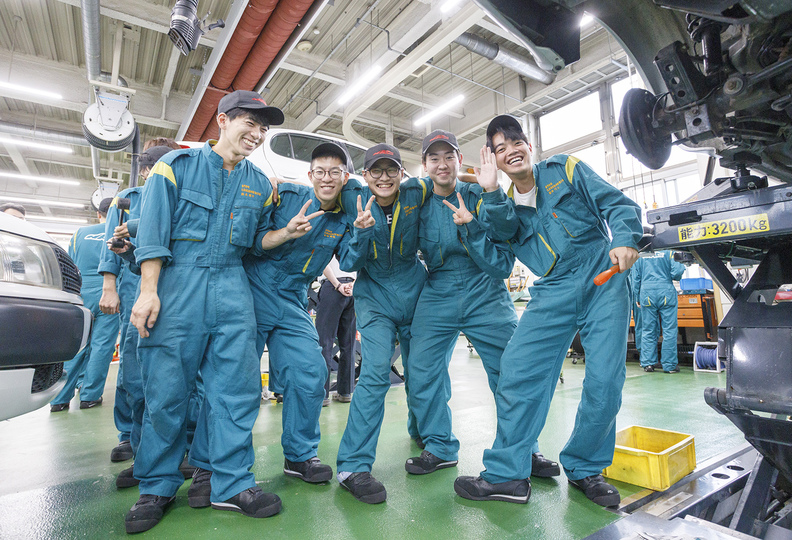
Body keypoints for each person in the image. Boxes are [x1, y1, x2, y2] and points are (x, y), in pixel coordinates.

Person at [454, 115, 641, 507]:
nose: (511, 151)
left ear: (529, 147)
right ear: (495, 162)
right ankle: (507, 474)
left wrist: (624, 238)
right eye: (500, 149)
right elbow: (500, 256)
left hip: (600, 276)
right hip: (552, 290)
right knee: (518, 370)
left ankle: (586, 467)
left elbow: (616, 204)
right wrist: (483, 205)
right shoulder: (498, 206)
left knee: (605, 382)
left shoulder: (565, 169)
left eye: (516, 142)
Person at [125, 90, 284, 534]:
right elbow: (153, 233)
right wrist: (148, 291)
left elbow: (255, 243)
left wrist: (285, 232)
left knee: (236, 391)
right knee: (167, 391)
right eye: (248, 123)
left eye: (263, 128)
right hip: (179, 287)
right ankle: (156, 486)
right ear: (221, 121)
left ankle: (229, 483)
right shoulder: (173, 168)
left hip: (234, 289)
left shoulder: (260, 183)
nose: (256, 133)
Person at [403, 130, 559, 486]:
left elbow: (502, 262)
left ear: (460, 159)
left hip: (485, 290)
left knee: (511, 371)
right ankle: (439, 446)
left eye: (448, 157)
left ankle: (523, 447)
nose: (442, 165)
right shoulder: (418, 202)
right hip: (438, 289)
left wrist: (481, 210)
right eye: (433, 158)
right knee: (422, 369)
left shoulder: (482, 196)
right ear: (425, 165)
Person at [241, 141, 353, 487]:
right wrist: (286, 231)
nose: (326, 178)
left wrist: (363, 224)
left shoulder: (346, 216)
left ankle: (300, 455)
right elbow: (254, 241)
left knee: (309, 369)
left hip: (293, 298)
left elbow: (348, 260)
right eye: (320, 171)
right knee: (237, 380)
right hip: (253, 290)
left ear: (345, 177)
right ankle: (215, 463)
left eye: (335, 172)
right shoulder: (286, 196)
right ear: (310, 175)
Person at [334, 144, 431, 504]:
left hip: (415, 291)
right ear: (364, 175)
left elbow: (446, 180)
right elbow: (347, 261)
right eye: (376, 170)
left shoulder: (416, 191)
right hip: (374, 296)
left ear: (402, 174)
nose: (384, 177)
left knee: (422, 370)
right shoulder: (351, 198)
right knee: (375, 372)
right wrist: (359, 231)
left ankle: (426, 433)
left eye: (392, 170)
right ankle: (353, 465)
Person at [99, 143, 200, 488]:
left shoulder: (187, 192)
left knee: (187, 380)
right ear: (145, 171)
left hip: (184, 291)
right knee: (137, 374)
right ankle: (135, 442)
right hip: (137, 289)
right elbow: (112, 244)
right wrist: (109, 286)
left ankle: (184, 450)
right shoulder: (126, 199)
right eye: (159, 166)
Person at [50, 198, 120, 411]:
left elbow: (70, 263)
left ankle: (59, 398)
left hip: (81, 294)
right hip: (110, 292)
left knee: (76, 347)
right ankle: (90, 396)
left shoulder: (79, 234)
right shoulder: (120, 232)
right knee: (102, 346)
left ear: (99, 214)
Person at [632, 251, 686, 373]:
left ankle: (648, 363)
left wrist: (637, 297)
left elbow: (635, 278)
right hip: (665, 291)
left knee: (648, 329)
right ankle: (669, 365)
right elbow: (677, 272)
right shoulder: (669, 251)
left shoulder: (641, 253)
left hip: (646, 294)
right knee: (669, 330)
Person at [316, 257, 357, 406]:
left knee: (324, 342)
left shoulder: (329, 235)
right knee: (349, 343)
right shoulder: (353, 235)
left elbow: (324, 262)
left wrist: (337, 285)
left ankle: (323, 394)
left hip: (333, 286)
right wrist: (352, 285)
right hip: (352, 289)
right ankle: (345, 392)